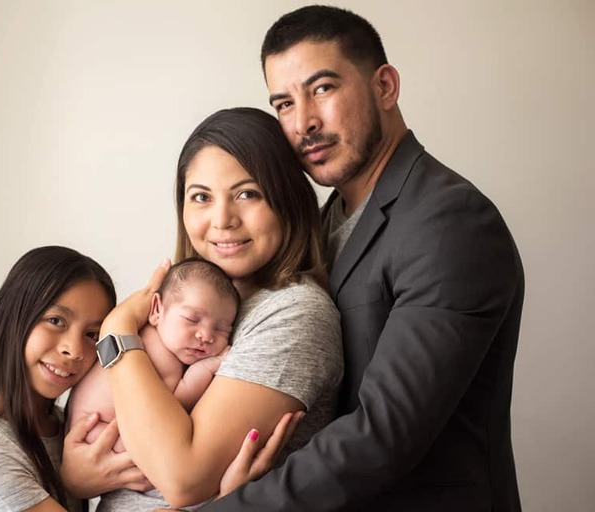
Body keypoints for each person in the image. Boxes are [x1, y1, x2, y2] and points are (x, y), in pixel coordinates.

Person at [200, 5, 525, 511]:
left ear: (386, 87)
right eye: (283, 103)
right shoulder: (319, 223)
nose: (303, 122)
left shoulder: (451, 221)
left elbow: (383, 433)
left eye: (322, 88)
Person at [63, 107, 344, 511]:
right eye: (201, 197)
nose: (223, 219)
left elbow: (183, 478)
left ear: (288, 198)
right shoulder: (185, 299)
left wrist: (117, 327)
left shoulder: (294, 314)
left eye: (248, 193)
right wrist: (71, 479)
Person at [0, 246, 151, 512]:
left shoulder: (63, 426)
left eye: (92, 334)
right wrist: (74, 483)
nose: (73, 350)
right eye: (56, 320)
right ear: (13, 317)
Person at [66, 258, 239, 453]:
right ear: (157, 310)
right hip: (98, 432)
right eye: (192, 319)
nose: (206, 336)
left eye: (221, 329)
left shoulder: (145, 334)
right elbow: (174, 405)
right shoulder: (156, 350)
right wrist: (209, 365)